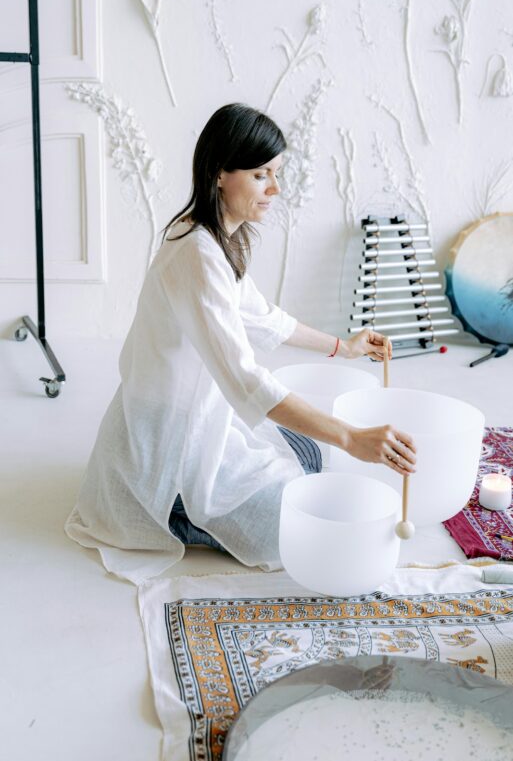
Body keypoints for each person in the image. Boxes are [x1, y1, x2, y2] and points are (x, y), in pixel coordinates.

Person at [65, 104, 416, 584]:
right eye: (260, 174)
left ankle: (207, 503)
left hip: (199, 423)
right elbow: (245, 381)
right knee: (290, 528)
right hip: (163, 449)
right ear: (219, 175)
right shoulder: (196, 254)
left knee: (310, 458)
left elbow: (264, 318)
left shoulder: (212, 237)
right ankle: (169, 511)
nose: (275, 188)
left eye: (275, 173)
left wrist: (344, 346)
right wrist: (352, 437)